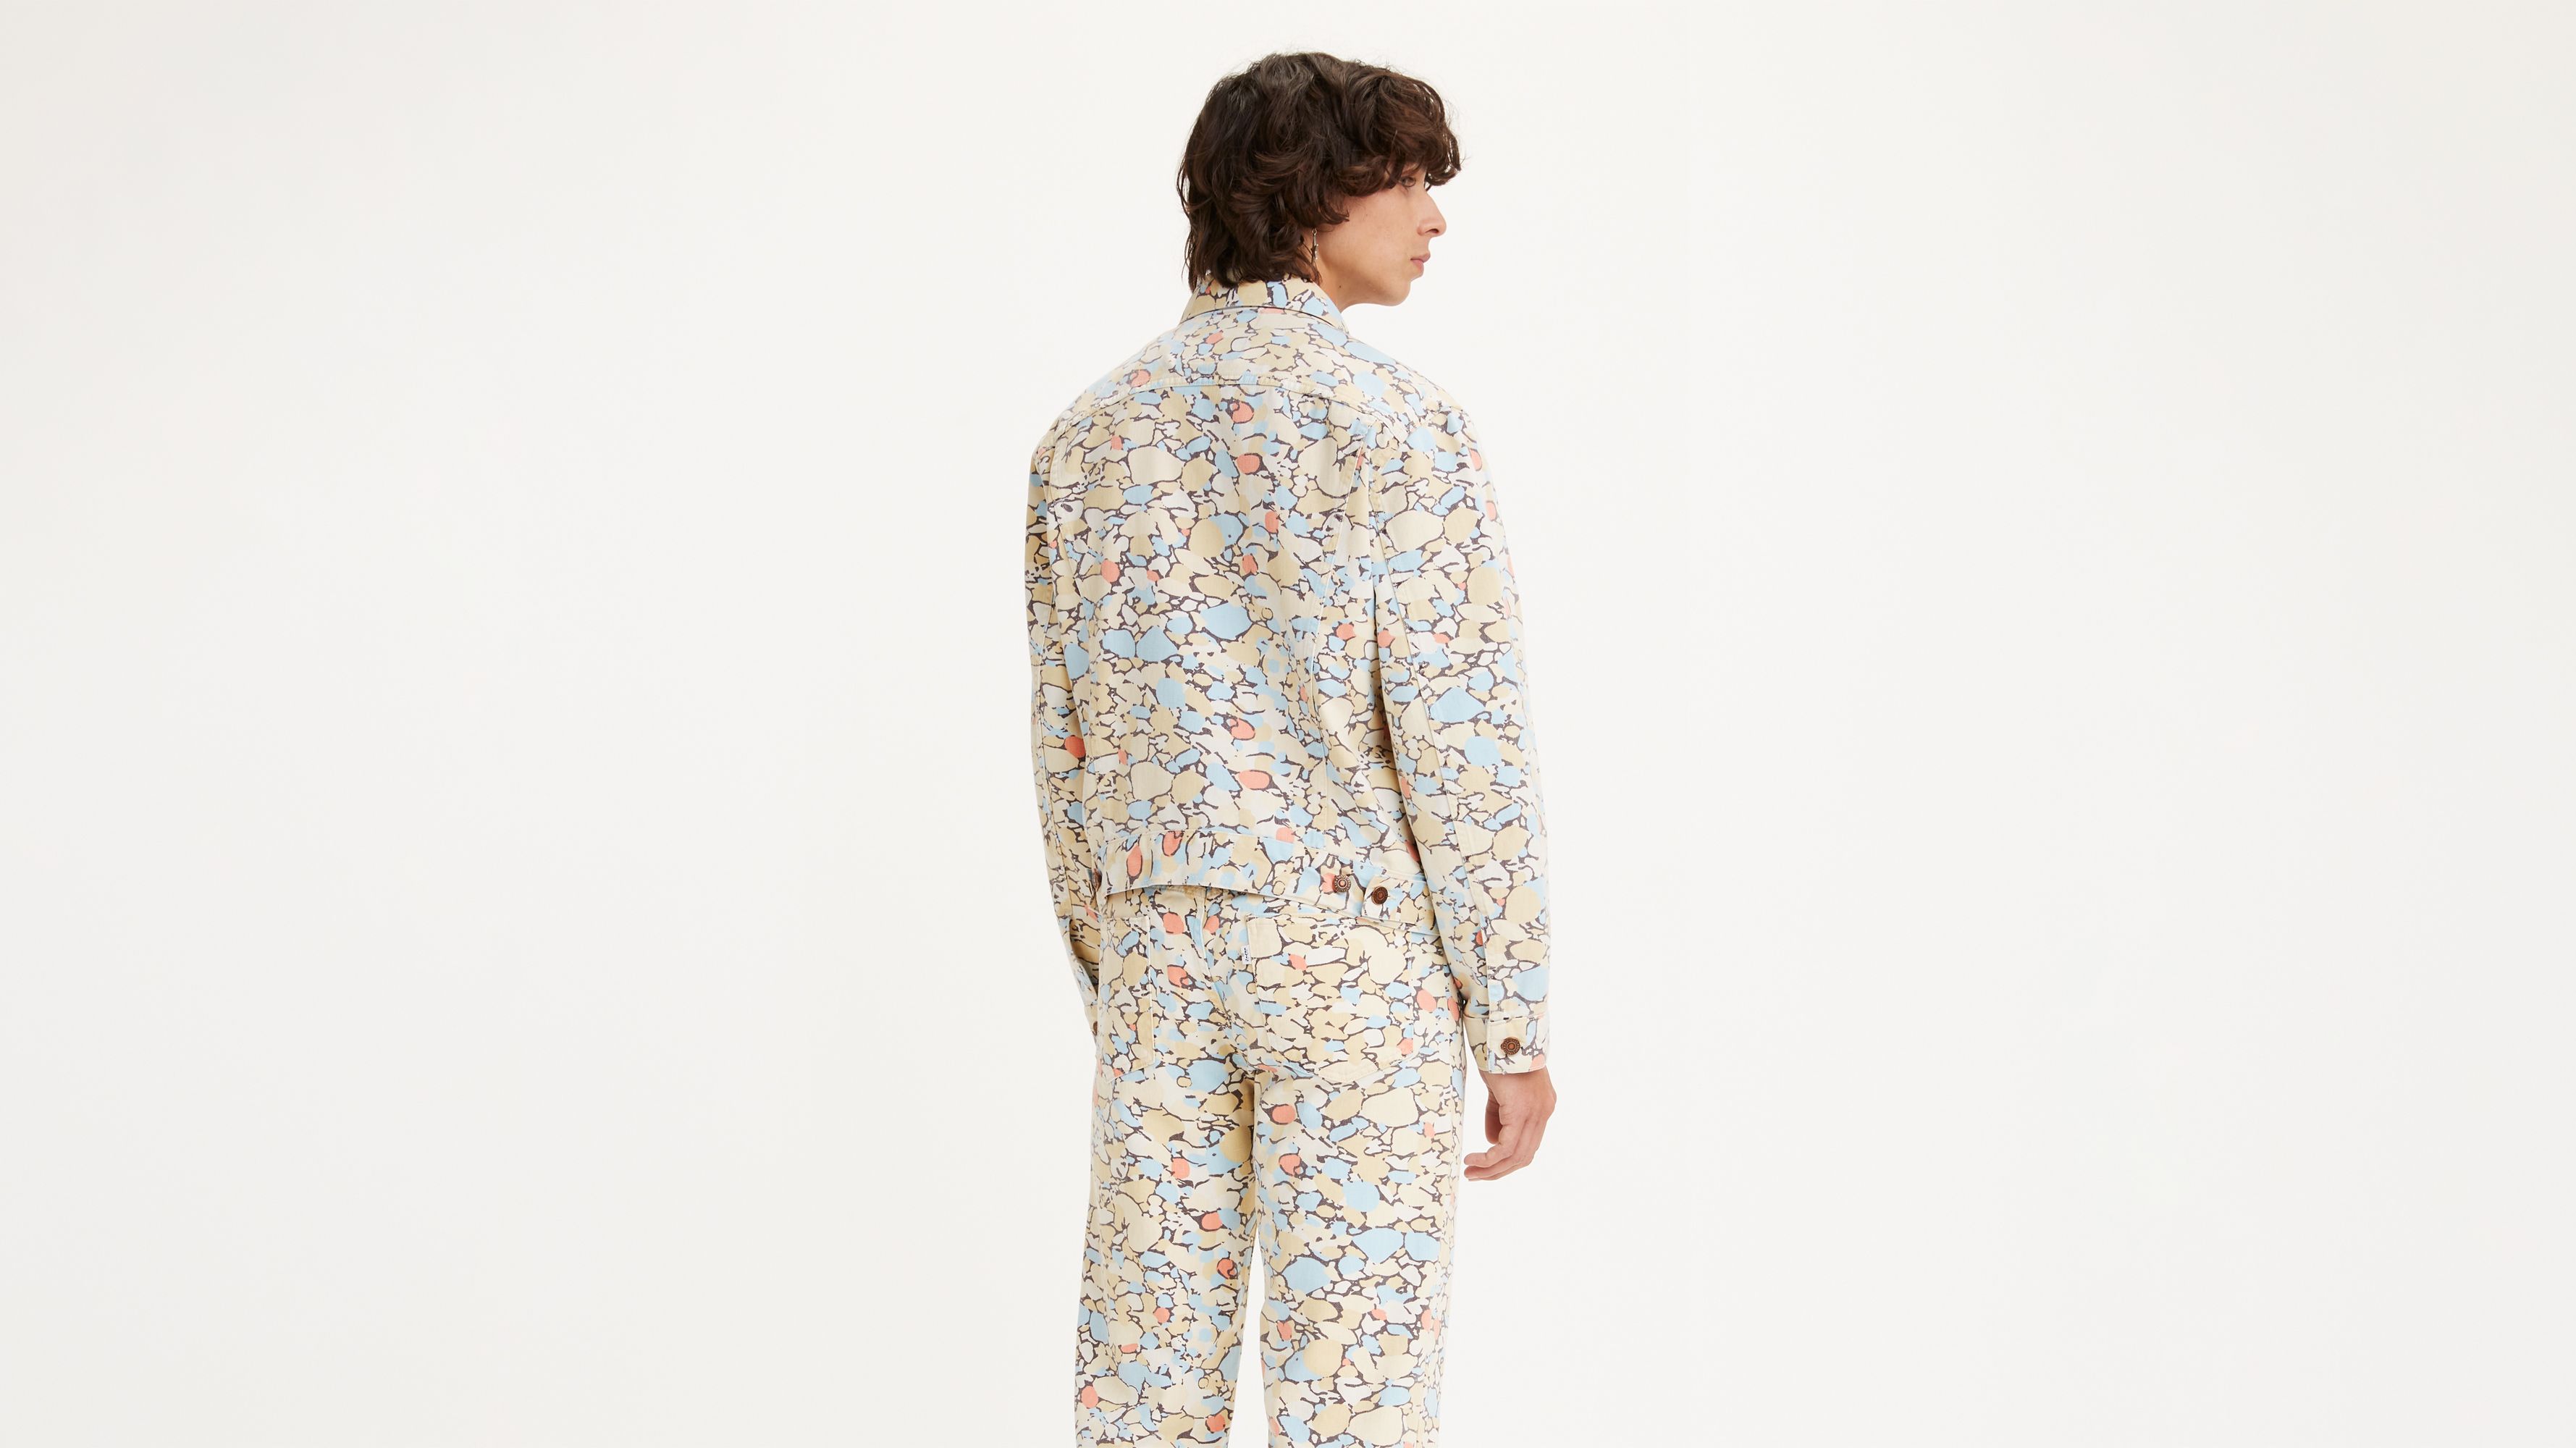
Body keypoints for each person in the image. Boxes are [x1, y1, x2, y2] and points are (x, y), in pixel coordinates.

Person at [1022, 50, 1558, 1447]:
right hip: (1352, 954)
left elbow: (1066, 748)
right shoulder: (1398, 424)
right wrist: (1510, 1021)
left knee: (1144, 1379)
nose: (1434, 218)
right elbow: (1463, 744)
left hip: (1161, 949)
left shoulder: (1086, 439)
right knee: (1354, 1391)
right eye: (1406, 182)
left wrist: (1114, 969)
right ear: (1312, 195)